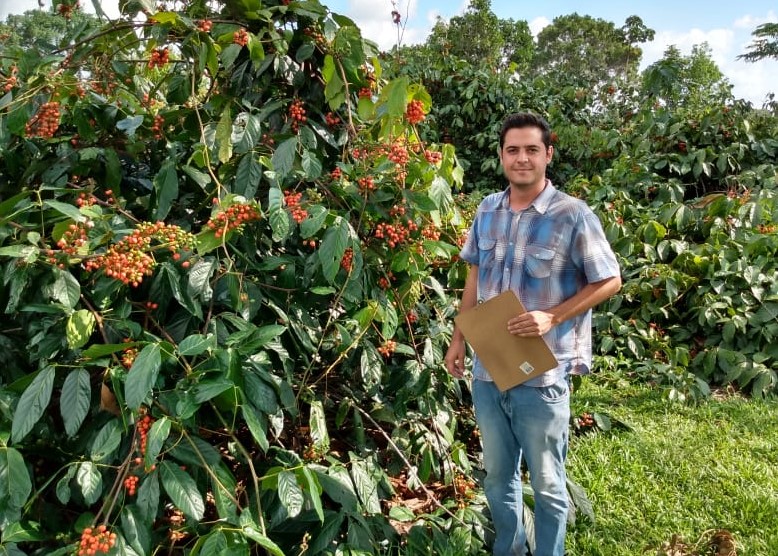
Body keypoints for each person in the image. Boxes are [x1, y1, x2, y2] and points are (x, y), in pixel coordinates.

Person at [444, 112, 621, 556]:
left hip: (542, 376)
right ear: (502, 156)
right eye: (513, 150)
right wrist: (459, 338)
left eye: (531, 150)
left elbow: (609, 279)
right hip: (488, 366)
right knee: (497, 476)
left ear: (548, 155)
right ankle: (509, 548)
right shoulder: (487, 209)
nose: (521, 158)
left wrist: (553, 317)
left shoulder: (573, 215)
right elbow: (474, 277)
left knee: (546, 482)